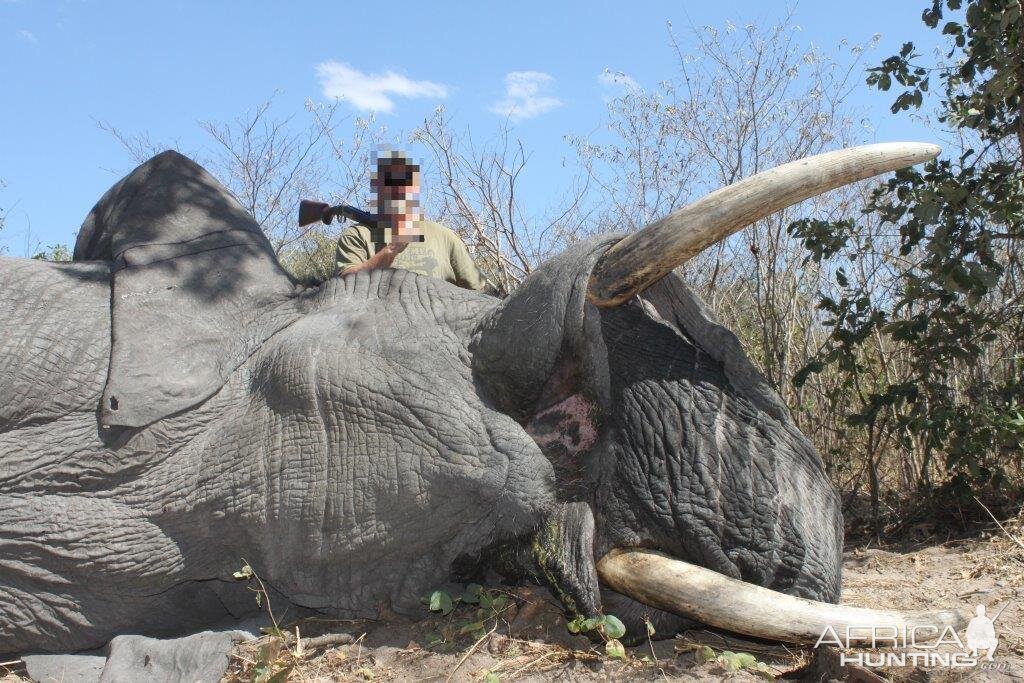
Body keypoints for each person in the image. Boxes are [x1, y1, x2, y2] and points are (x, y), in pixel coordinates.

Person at [334, 151, 488, 291]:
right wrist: (391, 250)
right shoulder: (357, 236)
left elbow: (478, 291)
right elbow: (346, 286)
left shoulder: (446, 237)